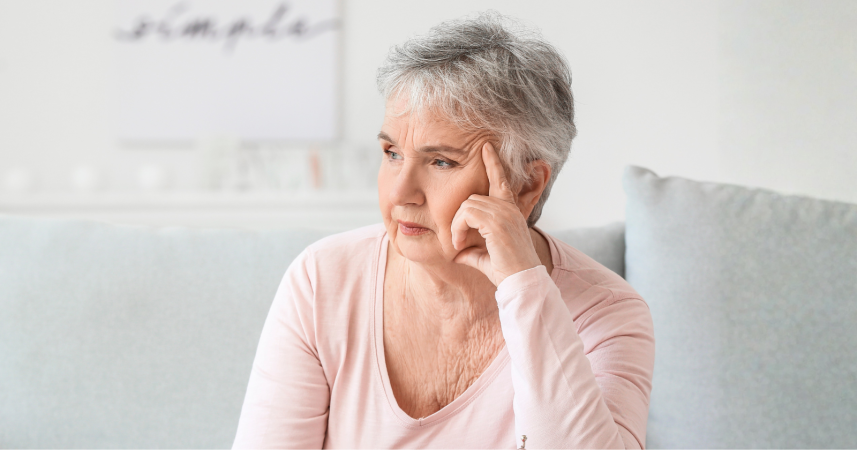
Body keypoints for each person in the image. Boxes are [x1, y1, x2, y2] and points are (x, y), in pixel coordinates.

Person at [233, 12, 654, 449]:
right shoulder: (322, 281)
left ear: (527, 184)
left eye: (441, 162)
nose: (400, 193)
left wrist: (525, 289)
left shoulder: (607, 315)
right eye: (392, 152)